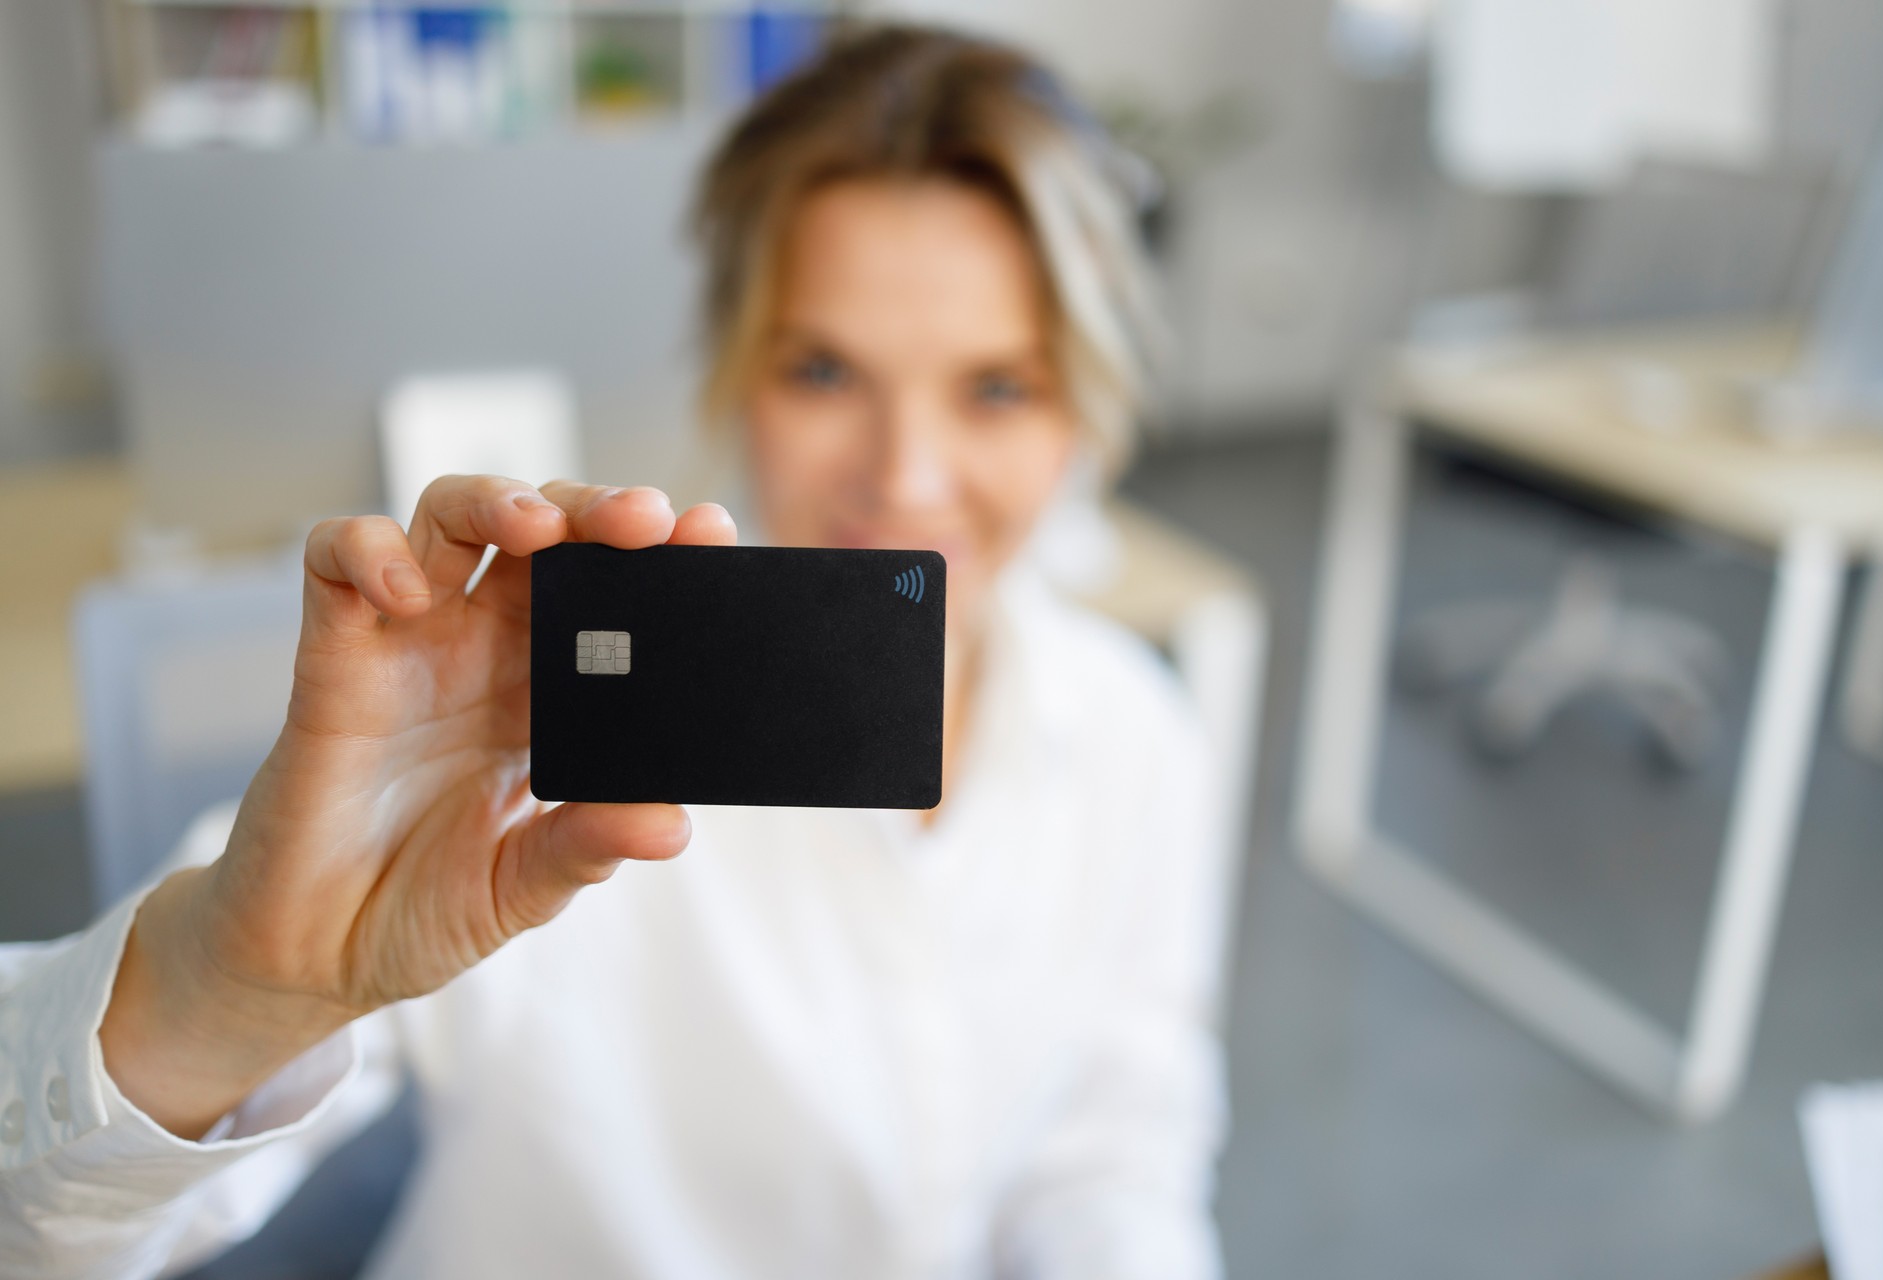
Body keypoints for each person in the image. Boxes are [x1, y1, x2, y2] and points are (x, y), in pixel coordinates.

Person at [0, 24, 1232, 1279]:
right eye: (823, 370)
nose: (907, 474)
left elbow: (1116, 1150)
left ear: (1087, 398)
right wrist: (234, 991)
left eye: (997, 388)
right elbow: (37, 1224)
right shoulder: (542, 738)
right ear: (735, 369)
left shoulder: (1137, 735)